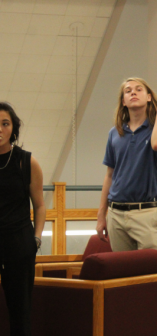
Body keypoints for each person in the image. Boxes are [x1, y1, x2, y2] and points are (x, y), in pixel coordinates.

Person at [95, 78, 157, 253]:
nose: (133, 93)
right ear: (123, 101)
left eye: (139, 89)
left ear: (148, 97)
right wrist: (101, 215)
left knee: (148, 275)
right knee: (122, 276)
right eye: (128, 91)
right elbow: (109, 175)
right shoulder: (115, 132)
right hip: (117, 214)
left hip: (147, 212)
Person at [0, 102, 46, 336]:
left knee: (20, 309)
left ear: (13, 128)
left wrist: (35, 239)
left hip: (19, 242)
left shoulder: (26, 161)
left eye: (4, 124)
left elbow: (39, 205)